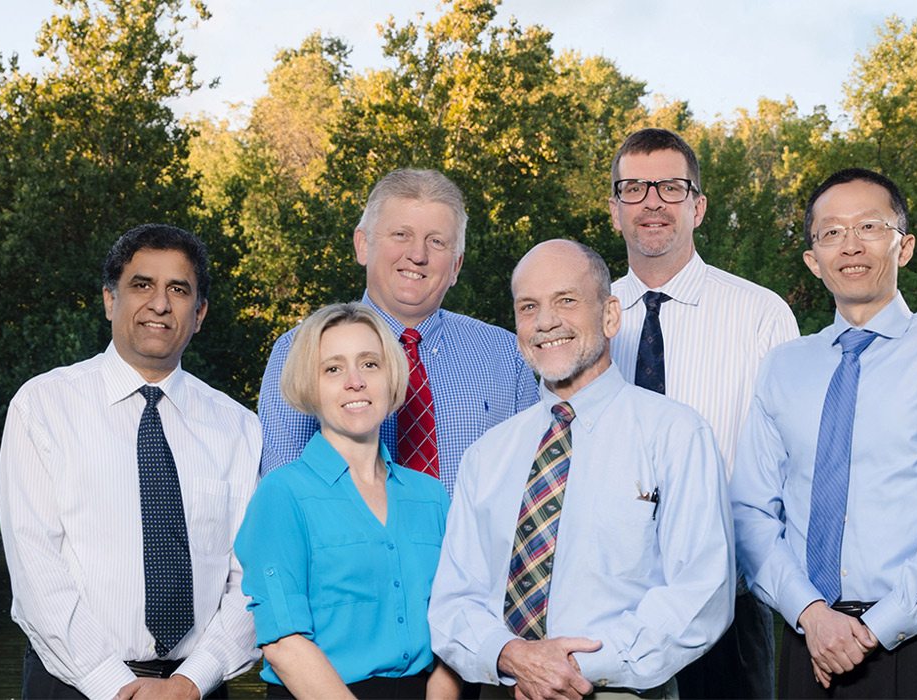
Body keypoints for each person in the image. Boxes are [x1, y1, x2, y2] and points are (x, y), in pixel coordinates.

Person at [730, 168, 917, 698]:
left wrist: (874, 629)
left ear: (903, 247)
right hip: (807, 641)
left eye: (869, 227)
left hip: (913, 644)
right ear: (814, 260)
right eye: (831, 232)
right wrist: (811, 614)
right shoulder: (782, 368)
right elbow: (751, 512)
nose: (850, 245)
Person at [429, 239, 734, 700]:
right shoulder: (487, 456)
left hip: (616, 689)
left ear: (610, 315)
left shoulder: (676, 434)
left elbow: (701, 592)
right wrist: (511, 656)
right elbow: (454, 602)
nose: (546, 321)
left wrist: (571, 667)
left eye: (566, 301)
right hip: (503, 687)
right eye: (529, 307)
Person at [0, 224, 260, 700]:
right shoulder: (42, 407)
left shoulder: (239, 427)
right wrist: (114, 684)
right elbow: (37, 569)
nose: (160, 304)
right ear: (109, 300)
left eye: (178, 290)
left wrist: (191, 680)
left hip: (196, 688)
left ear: (199, 313)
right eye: (141, 285)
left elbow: (251, 577)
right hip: (74, 684)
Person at [608, 127, 798, 698]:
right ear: (614, 208)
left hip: (730, 606)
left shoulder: (761, 316)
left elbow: (789, 465)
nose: (653, 202)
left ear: (699, 206)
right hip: (612, 607)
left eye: (671, 186)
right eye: (634, 188)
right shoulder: (584, 319)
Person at [258, 168, 538, 495]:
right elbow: (287, 493)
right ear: (363, 245)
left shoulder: (506, 355)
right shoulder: (301, 350)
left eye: (436, 241)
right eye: (401, 235)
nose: (418, 255)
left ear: (456, 266)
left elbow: (529, 489)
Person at [235, 302, 458, 699]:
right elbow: (284, 644)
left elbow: (454, 620)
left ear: (391, 377)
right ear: (310, 385)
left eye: (370, 364)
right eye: (333, 368)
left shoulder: (431, 496)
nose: (355, 381)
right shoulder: (282, 495)